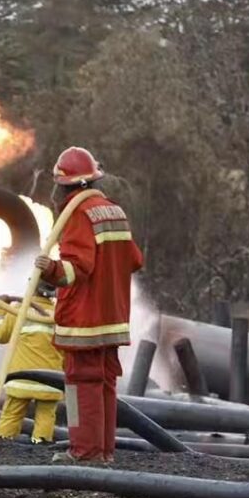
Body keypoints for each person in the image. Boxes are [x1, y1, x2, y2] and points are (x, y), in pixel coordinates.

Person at [34, 147, 144, 463]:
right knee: (105, 384)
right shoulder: (114, 211)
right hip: (113, 317)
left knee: (81, 386)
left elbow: (75, 269)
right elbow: (135, 259)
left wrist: (51, 269)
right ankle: (104, 452)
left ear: (65, 184)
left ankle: (83, 453)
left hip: (84, 320)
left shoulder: (77, 214)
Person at [0, 282, 64, 443]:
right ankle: (40, 450)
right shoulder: (60, 315)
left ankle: (2, 447)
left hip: (22, 378)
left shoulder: (19, 310)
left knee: (11, 415)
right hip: (51, 380)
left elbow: (1, 336)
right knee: (46, 416)